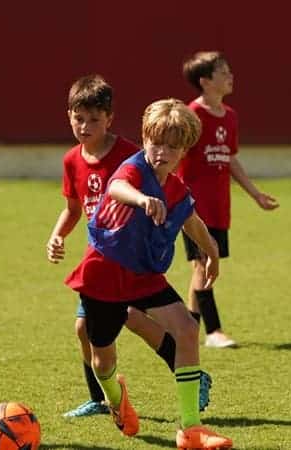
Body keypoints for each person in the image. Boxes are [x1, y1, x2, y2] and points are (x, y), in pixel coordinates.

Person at [65, 98, 232, 449]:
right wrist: (141, 200)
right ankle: (114, 398)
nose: (162, 152)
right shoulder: (133, 170)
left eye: (172, 146)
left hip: (143, 275)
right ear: (144, 141)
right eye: (156, 143)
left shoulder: (175, 188)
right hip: (105, 273)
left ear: (184, 150)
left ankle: (191, 429)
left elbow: (191, 221)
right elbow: (115, 187)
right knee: (102, 357)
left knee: (187, 328)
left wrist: (213, 252)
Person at [46, 76, 211, 417]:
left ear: (110, 118)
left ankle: (189, 406)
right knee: (91, 333)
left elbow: (185, 214)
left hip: (138, 262)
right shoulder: (75, 161)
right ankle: (107, 398)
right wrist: (57, 235)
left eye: (94, 118)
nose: (85, 125)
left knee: (171, 325)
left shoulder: (133, 157)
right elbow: (84, 203)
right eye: (79, 118)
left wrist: (209, 252)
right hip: (103, 259)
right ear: (69, 116)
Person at [177, 51, 279, 348]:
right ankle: (214, 331)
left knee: (204, 265)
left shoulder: (230, 116)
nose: (230, 76)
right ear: (205, 81)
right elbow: (175, 155)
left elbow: (231, 159)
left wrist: (256, 194)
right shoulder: (191, 115)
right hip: (193, 206)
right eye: (224, 72)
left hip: (220, 205)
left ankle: (187, 330)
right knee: (204, 263)